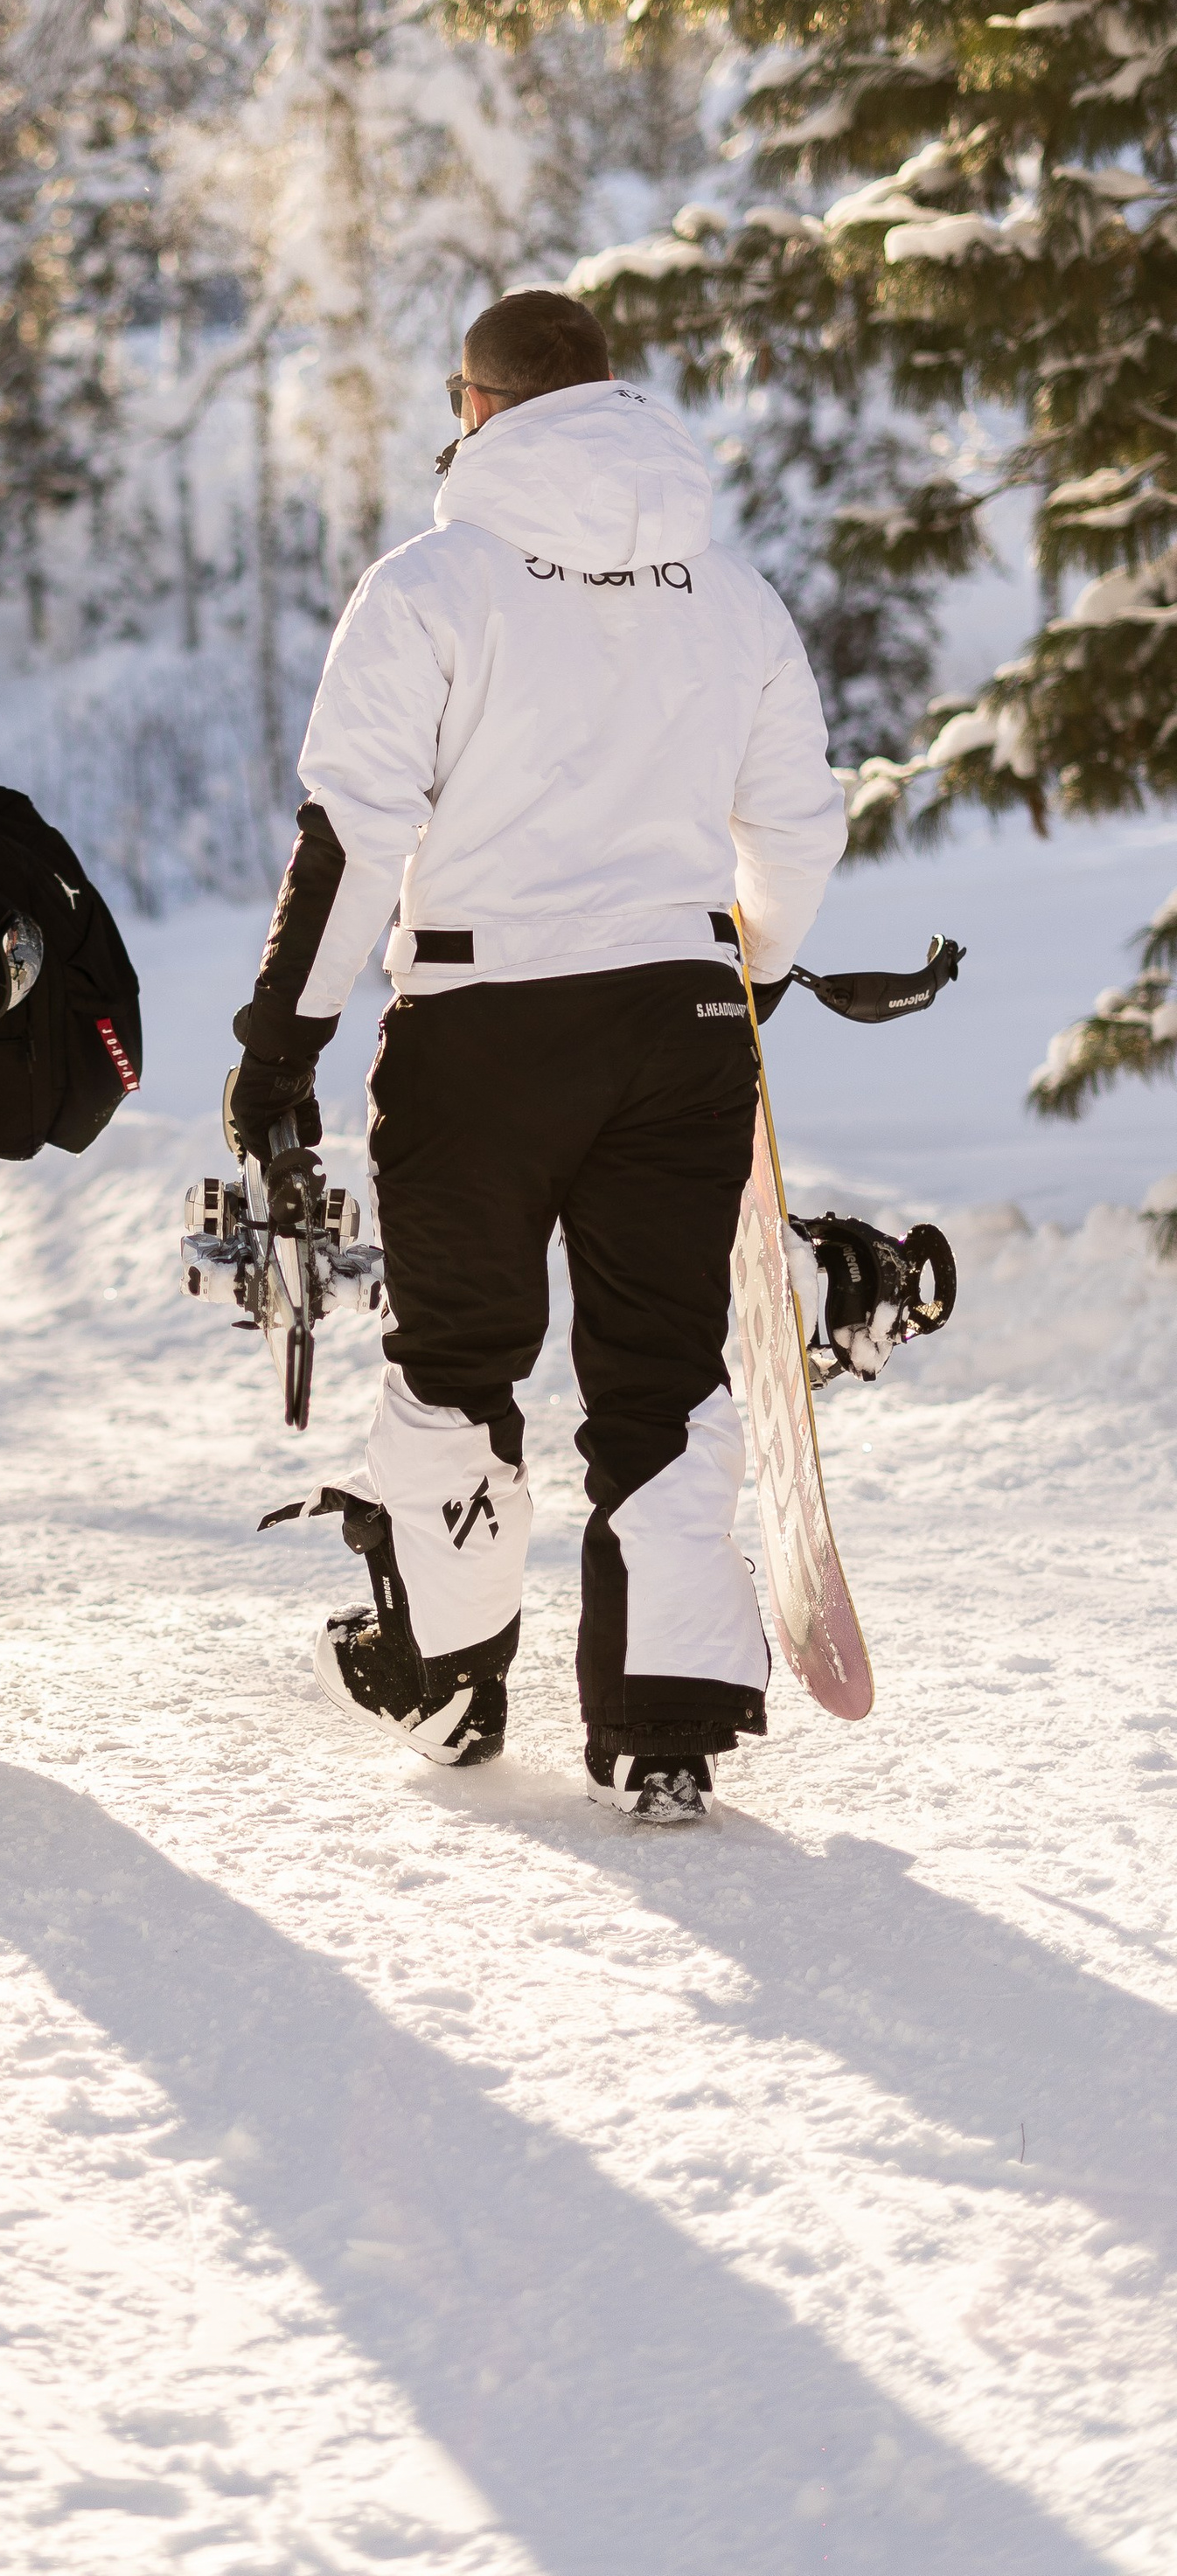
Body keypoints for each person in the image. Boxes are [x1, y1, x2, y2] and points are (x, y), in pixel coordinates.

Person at [231, 289, 847, 1823]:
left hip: (482, 1023)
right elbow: (797, 826)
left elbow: (352, 834)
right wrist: (752, 975)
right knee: (661, 1369)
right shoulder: (733, 594)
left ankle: (447, 1675)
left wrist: (282, 1044)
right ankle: (666, 1725)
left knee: (456, 1361)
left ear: (481, 407)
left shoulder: (430, 585)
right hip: (681, 1020)